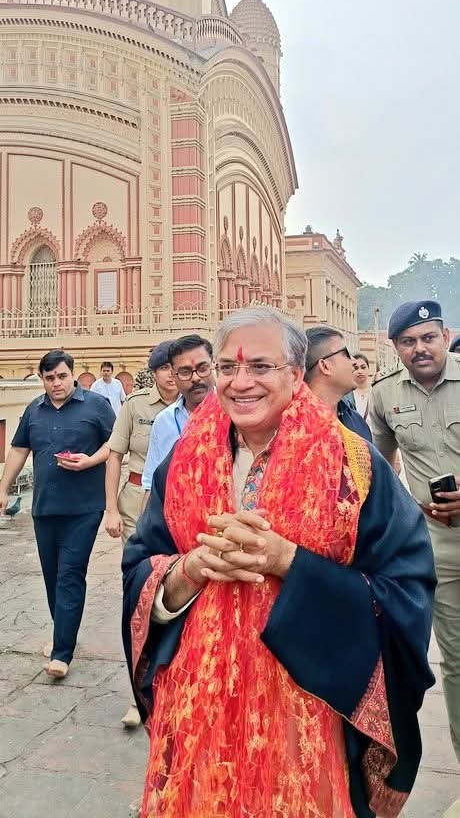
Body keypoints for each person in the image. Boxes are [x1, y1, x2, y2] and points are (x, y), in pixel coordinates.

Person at [123, 306, 435, 818]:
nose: (240, 382)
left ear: (295, 374)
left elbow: (406, 587)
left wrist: (288, 560)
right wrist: (192, 569)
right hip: (198, 708)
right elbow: (139, 564)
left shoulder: (353, 465)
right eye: (228, 367)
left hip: (307, 714)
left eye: (260, 367)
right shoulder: (183, 462)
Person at [369, 300, 460, 793]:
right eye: (408, 341)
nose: (420, 348)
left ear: (445, 336)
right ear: (396, 347)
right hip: (437, 547)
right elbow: (380, 467)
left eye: (428, 337)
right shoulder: (384, 394)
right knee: (457, 662)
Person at [0, 350, 114, 680]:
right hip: (45, 507)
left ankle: (62, 653)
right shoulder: (34, 410)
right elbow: (19, 449)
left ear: (72, 374)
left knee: (69, 574)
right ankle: (63, 632)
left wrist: (90, 461)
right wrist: (3, 488)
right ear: (42, 379)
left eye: (62, 376)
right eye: (49, 378)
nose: (56, 383)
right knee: (52, 577)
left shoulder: (96, 406)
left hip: (85, 507)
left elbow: (114, 445)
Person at [105, 340, 178, 728]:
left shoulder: (206, 405)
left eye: (177, 367)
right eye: (164, 368)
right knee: (140, 596)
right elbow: (115, 455)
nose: (172, 375)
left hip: (185, 509)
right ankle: (139, 695)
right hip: (138, 506)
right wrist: (111, 509)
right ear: (154, 372)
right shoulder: (135, 405)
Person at [141, 335, 215, 493]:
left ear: (214, 366)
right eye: (185, 372)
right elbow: (151, 485)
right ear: (174, 376)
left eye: (203, 369)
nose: (195, 378)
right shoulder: (164, 421)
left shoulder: (235, 414)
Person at [304, 325, 372, 441]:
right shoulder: (292, 428)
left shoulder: (356, 422)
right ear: (325, 366)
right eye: (346, 354)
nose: (354, 362)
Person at [349, 353, 372, 419]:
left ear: (368, 369)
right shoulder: (346, 395)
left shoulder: (375, 391)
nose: (360, 371)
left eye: (363, 367)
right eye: (356, 368)